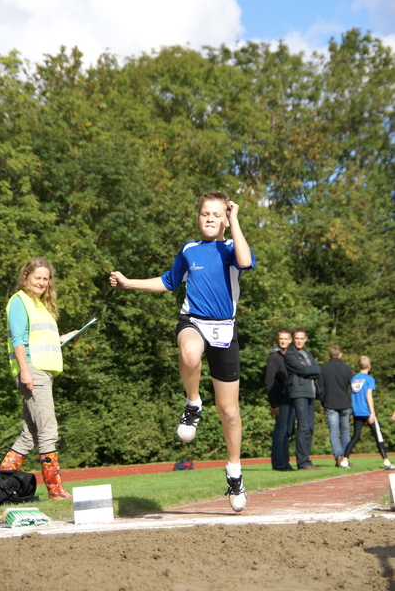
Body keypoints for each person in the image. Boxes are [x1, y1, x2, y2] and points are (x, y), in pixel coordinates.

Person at [109, 191, 255, 512]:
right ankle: (192, 404)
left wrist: (235, 222)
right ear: (198, 216)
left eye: (217, 214)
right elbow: (168, 281)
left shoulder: (231, 247)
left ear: (225, 219)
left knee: (229, 412)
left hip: (225, 330)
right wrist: (128, 283)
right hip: (193, 322)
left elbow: (245, 262)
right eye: (205, 214)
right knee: (189, 354)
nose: (210, 219)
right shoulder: (189, 250)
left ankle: (234, 473)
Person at [0, 257, 79, 500]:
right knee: (48, 429)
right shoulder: (20, 302)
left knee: (31, 432)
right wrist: (25, 371)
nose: (42, 282)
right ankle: (55, 489)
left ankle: (3, 478)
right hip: (32, 371)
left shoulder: (40, 305)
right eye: (38, 278)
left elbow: (42, 341)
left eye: (46, 278)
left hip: (42, 371)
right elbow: (19, 341)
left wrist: (67, 336)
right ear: (25, 276)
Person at [340, 356, 395, 470]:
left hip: (357, 411)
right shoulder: (369, 379)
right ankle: (386, 461)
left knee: (355, 437)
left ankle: (345, 460)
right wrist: (372, 413)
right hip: (366, 411)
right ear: (369, 366)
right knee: (378, 436)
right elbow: (368, 396)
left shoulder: (354, 379)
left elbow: (352, 395)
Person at [284, 327, 321, 470]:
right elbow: (305, 370)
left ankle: (307, 460)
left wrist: (310, 370)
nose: (299, 341)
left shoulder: (308, 354)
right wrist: (309, 370)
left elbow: (318, 370)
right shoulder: (290, 354)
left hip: (311, 393)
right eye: (297, 338)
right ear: (293, 340)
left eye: (302, 338)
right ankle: (302, 462)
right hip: (299, 393)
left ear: (305, 339)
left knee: (310, 428)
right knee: (303, 426)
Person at [265, 329, 294, 471]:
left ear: (290, 340)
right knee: (280, 432)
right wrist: (274, 403)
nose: (283, 341)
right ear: (278, 339)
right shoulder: (274, 357)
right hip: (280, 401)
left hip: (290, 400)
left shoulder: (290, 356)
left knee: (287, 432)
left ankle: (285, 462)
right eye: (281, 339)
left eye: (286, 339)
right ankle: (278, 463)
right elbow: (269, 381)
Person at [318, 345, 353, 467]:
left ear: (330, 355)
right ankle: (345, 457)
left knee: (333, 431)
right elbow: (353, 388)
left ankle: (338, 455)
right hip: (344, 403)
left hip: (330, 403)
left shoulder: (324, 368)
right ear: (340, 354)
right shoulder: (347, 369)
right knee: (345, 431)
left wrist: (323, 402)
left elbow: (320, 388)